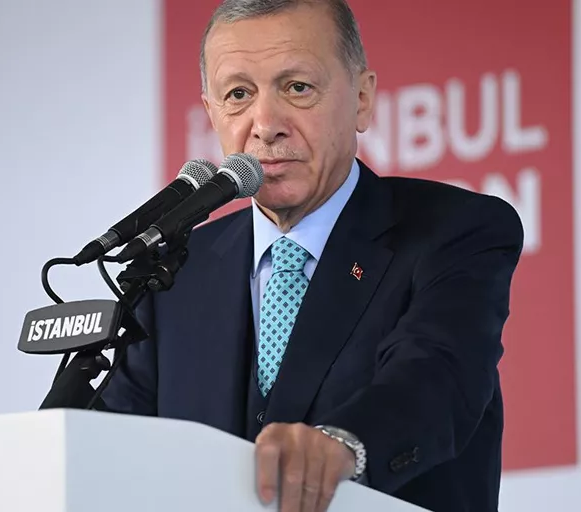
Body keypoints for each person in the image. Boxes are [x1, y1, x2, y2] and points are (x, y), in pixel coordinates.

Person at [52, 1, 524, 511]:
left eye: (297, 87)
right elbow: (114, 449)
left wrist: (344, 445)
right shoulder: (174, 272)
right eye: (238, 94)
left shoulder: (455, 229)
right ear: (211, 113)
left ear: (362, 99)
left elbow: (436, 376)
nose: (265, 124)